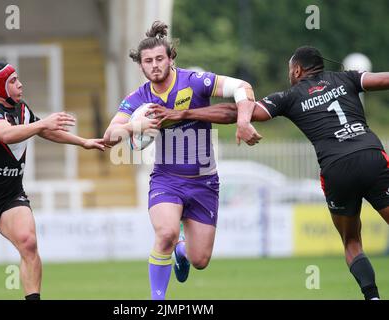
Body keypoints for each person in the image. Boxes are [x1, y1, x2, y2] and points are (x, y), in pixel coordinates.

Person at [154, 46, 389, 300]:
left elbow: (238, 111)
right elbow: (384, 79)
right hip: (372, 157)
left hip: (336, 169)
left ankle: (372, 297)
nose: (290, 75)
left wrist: (184, 113)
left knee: (352, 242)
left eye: (290, 71)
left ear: (297, 70)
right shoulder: (348, 78)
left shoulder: (289, 96)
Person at [103, 21, 260, 300]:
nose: (154, 65)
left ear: (171, 58)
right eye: (148, 61)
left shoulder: (195, 82)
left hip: (204, 181)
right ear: (140, 66)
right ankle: (158, 301)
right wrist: (136, 126)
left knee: (200, 259)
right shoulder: (139, 99)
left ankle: (182, 252)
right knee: (165, 233)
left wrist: (244, 121)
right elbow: (110, 135)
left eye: (159, 59)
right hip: (167, 179)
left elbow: (242, 87)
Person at [0, 61, 105, 300]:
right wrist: (41, 123)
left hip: (10, 196)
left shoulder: (21, 109)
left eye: (18, 79)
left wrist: (83, 142)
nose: (20, 84)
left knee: (28, 244)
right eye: (13, 81)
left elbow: (45, 131)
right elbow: (6, 134)